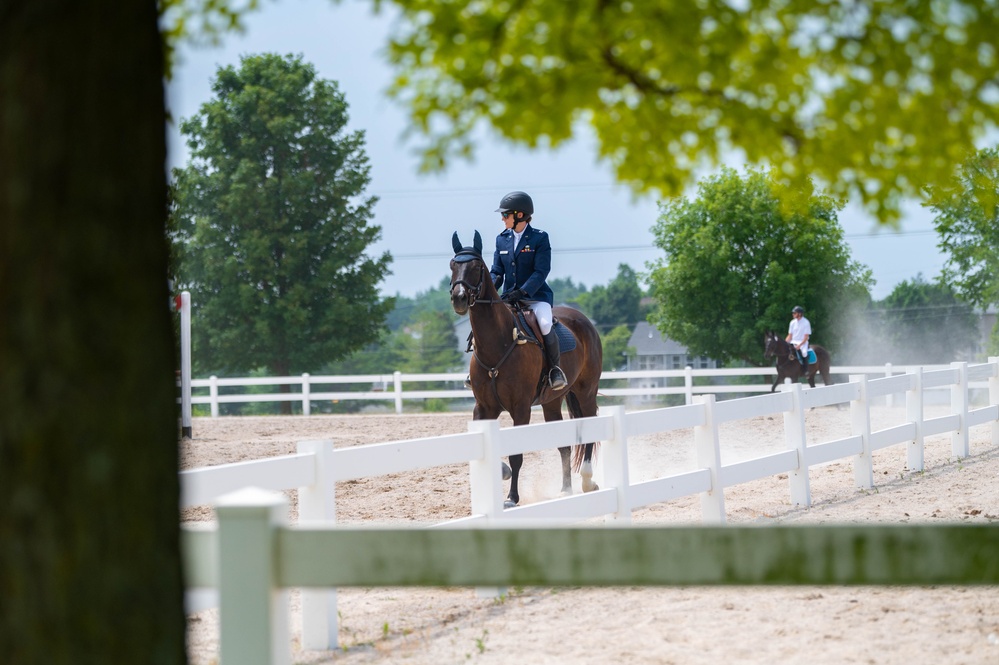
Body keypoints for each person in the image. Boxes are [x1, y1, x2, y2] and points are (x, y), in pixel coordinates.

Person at [489, 191, 567, 390]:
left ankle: (555, 370)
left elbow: (541, 271)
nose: (502, 218)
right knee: (489, 323)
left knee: (545, 323)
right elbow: (497, 271)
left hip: (535, 298)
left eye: (506, 215)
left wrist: (523, 291)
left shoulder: (539, 238)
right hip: (508, 299)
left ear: (520, 215)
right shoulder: (501, 239)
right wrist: (489, 289)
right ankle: (481, 372)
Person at [786, 305, 811, 373]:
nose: (793, 314)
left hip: (802, 342)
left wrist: (799, 345)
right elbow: (790, 335)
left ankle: (806, 370)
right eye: (793, 313)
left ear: (799, 314)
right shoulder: (792, 322)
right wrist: (785, 343)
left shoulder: (806, 322)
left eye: (794, 313)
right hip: (793, 341)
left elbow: (806, 337)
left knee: (804, 353)